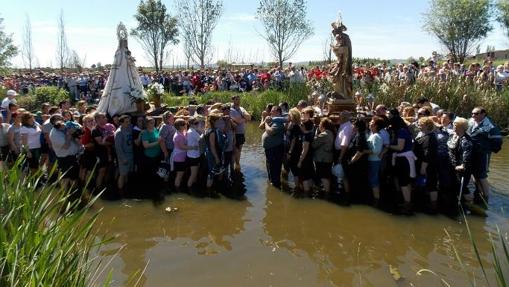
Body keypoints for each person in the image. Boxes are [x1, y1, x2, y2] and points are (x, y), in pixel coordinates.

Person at [388, 114, 416, 215]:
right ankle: (408, 203)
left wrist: (388, 145)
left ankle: (407, 205)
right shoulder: (405, 130)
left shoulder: (401, 131)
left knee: (404, 183)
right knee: (407, 183)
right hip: (406, 159)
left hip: (404, 159)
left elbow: (400, 147)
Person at [467, 107, 494, 204]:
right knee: (474, 174)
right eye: (472, 113)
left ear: (483, 114)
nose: (473, 115)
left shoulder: (489, 125)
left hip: (483, 154)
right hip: (473, 153)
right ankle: (479, 192)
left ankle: (486, 198)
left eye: (476, 113)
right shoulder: (471, 121)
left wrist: (486, 148)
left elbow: (497, 140)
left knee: (482, 175)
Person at [49, 115, 82, 189]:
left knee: (74, 176)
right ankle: (64, 193)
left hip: (73, 156)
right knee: (66, 177)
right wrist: (69, 134)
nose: (60, 120)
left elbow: (79, 135)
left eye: (61, 118)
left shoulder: (66, 128)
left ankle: (73, 192)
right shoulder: (54, 134)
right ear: (53, 123)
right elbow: (66, 146)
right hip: (65, 158)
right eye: (57, 119)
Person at [414, 117, 439, 213]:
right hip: (422, 164)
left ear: (427, 126)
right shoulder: (424, 135)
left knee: (431, 184)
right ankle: (425, 203)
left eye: (421, 124)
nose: (419, 126)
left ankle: (433, 206)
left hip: (428, 166)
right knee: (425, 184)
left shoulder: (430, 137)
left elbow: (427, 154)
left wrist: (423, 167)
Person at [448, 117, 473, 206]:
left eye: (456, 125)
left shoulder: (466, 140)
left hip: (462, 168)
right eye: (454, 124)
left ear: (462, 127)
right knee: (455, 185)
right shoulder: (453, 135)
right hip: (453, 165)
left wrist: (463, 165)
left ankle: (470, 204)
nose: (454, 126)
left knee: (462, 187)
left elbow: (467, 155)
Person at [261, 105, 285, 189]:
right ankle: (272, 183)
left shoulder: (279, 121)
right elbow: (261, 127)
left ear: (278, 112)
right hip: (270, 149)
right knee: (271, 167)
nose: (270, 112)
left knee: (275, 168)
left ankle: (276, 186)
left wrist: (267, 123)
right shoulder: (272, 119)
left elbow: (270, 132)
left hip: (276, 149)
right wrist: (263, 118)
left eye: (272, 111)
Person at [312, 118, 335, 197]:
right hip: (327, 158)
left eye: (320, 124)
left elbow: (314, 144)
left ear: (323, 125)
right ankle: (326, 192)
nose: (318, 125)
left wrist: (315, 133)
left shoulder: (324, 134)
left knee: (324, 176)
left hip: (323, 159)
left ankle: (327, 194)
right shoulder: (330, 133)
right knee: (325, 175)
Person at [140, 117, 163, 195]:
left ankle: (155, 189)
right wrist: (158, 142)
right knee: (151, 174)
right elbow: (146, 145)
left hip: (157, 155)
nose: (153, 124)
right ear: (147, 124)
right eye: (151, 123)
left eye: (154, 122)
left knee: (156, 173)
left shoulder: (155, 130)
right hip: (149, 157)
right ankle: (150, 191)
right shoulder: (145, 133)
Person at [230, 95, 251, 172]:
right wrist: (243, 119)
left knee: (239, 150)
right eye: (236, 99)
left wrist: (242, 119)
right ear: (232, 100)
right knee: (234, 150)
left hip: (241, 132)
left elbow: (249, 117)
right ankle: (233, 167)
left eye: (239, 100)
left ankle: (237, 165)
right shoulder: (230, 109)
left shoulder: (241, 108)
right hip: (234, 133)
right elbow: (238, 121)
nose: (238, 101)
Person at [114, 115, 134, 197]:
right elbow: (118, 148)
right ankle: (120, 192)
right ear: (121, 123)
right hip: (124, 155)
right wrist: (123, 158)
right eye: (126, 122)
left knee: (127, 173)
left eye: (129, 121)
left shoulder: (128, 128)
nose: (128, 123)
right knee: (122, 174)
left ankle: (126, 188)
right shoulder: (119, 132)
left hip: (130, 154)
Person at [367, 116, 385, 207]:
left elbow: (376, 151)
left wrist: (364, 151)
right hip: (372, 160)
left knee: (374, 180)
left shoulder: (376, 136)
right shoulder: (372, 134)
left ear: (376, 125)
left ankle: (376, 200)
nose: (370, 122)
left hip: (374, 161)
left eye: (372, 122)